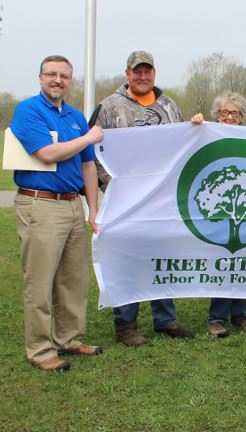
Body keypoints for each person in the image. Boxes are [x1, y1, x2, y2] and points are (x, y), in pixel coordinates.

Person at [93, 50, 194, 346]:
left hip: (162, 201)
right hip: (126, 201)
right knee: (128, 261)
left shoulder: (169, 106)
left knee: (163, 258)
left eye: (147, 71)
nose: (142, 76)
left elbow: (184, 145)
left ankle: (165, 320)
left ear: (154, 73)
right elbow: (95, 152)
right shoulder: (110, 107)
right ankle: (126, 325)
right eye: (137, 71)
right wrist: (111, 187)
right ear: (127, 73)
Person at [11, 55, 104, 371]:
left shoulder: (76, 116)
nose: (57, 80)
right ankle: (40, 349)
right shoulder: (29, 111)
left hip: (72, 205)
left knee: (73, 279)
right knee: (40, 280)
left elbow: (88, 165)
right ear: (40, 77)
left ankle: (70, 338)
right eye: (51, 74)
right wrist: (88, 138)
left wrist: (93, 209)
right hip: (41, 204)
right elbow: (47, 152)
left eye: (64, 76)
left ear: (70, 81)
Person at [190, 92, 246, 338]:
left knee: (242, 261)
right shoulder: (205, 136)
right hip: (217, 209)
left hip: (243, 209)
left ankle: (239, 314)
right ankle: (216, 317)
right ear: (216, 116)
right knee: (222, 261)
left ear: (242, 118)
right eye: (224, 113)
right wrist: (196, 126)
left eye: (234, 113)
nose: (229, 117)